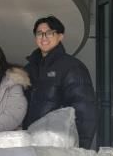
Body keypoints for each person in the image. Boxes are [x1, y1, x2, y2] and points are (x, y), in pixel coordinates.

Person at [23, 15, 96, 148]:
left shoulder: (72, 67)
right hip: (30, 142)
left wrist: (81, 149)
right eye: (39, 33)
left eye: (49, 33)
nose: (44, 37)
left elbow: (85, 112)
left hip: (57, 145)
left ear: (60, 36)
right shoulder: (29, 68)